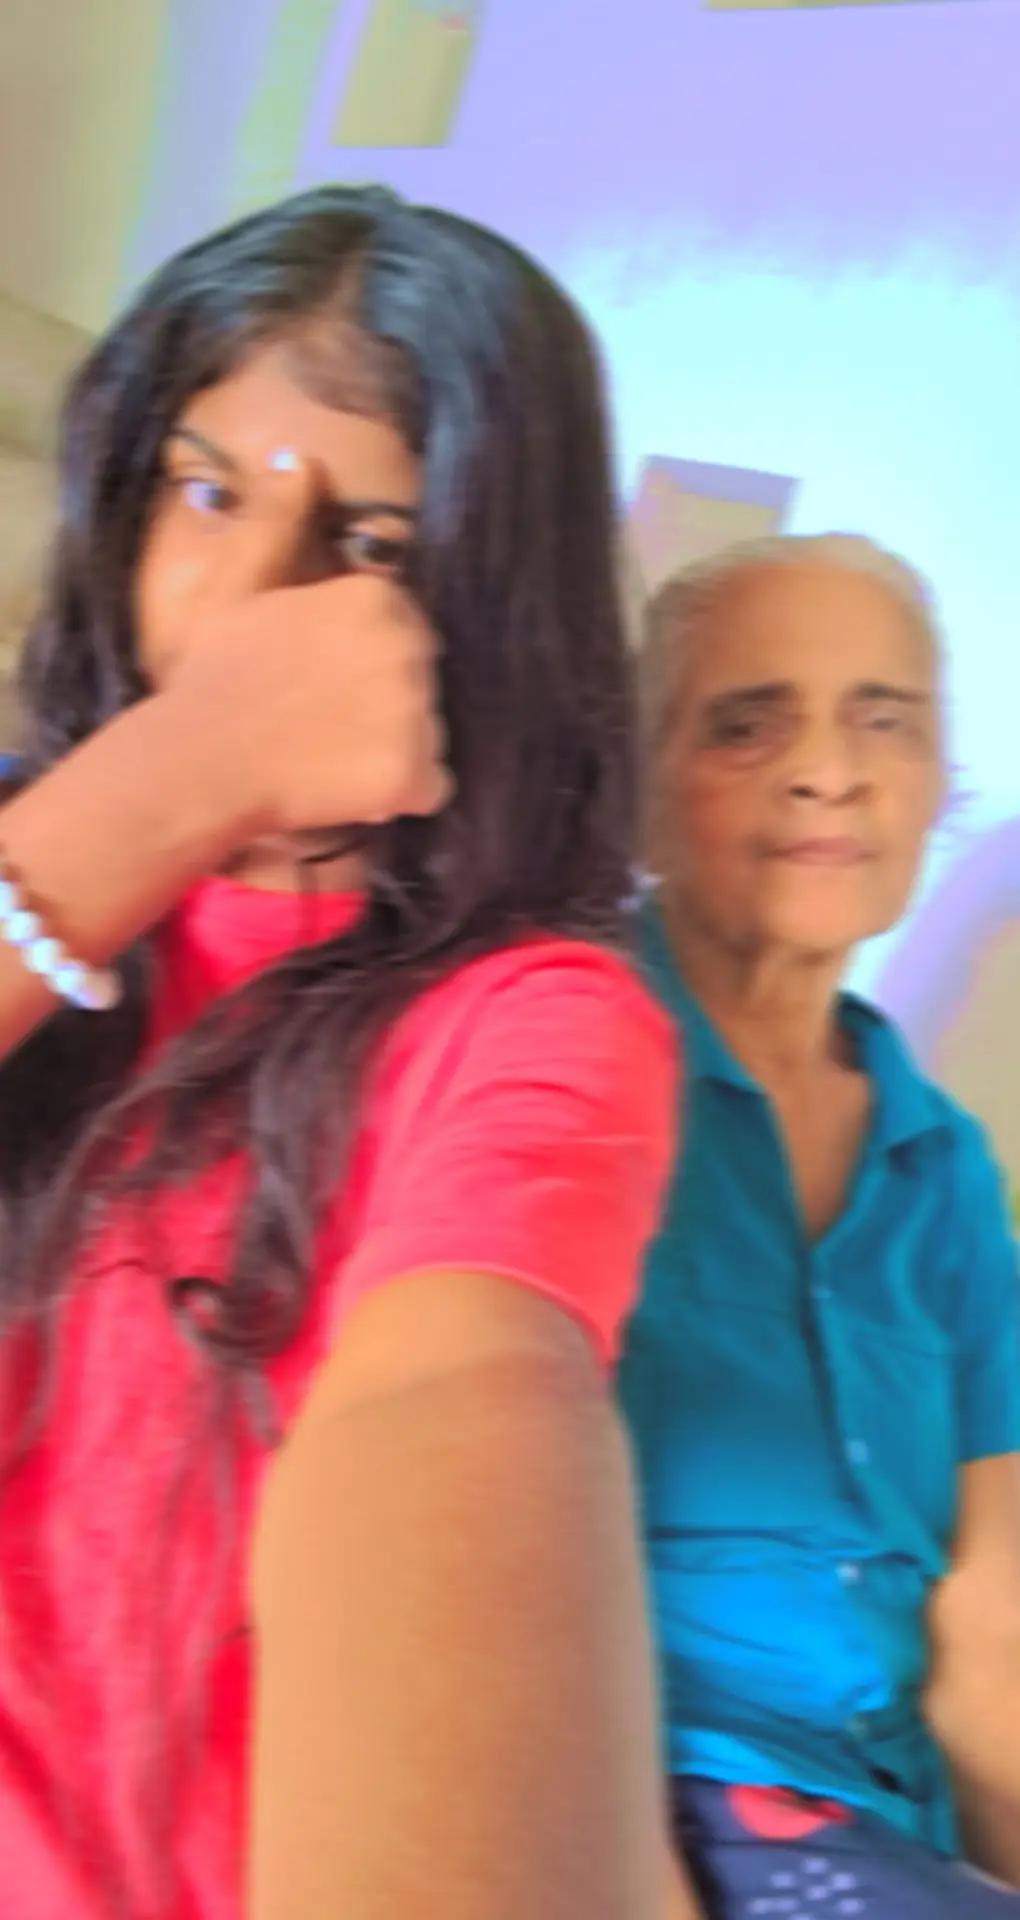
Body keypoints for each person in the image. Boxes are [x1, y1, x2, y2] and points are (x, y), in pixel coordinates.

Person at [0, 184, 701, 1920]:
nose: (254, 601)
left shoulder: (528, 1016)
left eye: (373, 547)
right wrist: (180, 776)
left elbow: (463, 1397)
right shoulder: (36, 864)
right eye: (207, 491)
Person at [618, 535, 1020, 1918]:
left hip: (882, 1833)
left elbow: (988, 1624)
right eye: (750, 722)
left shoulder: (943, 1169)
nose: (829, 770)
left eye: (882, 719)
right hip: (647, 1799)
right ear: (641, 791)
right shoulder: (566, 1064)